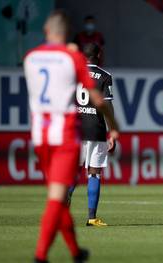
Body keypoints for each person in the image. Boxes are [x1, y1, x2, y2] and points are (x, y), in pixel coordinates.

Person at [23, 10, 119, 263]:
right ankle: (44, 252)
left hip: (41, 134)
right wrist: (115, 127)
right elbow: (98, 99)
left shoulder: (30, 58)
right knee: (88, 177)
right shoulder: (72, 60)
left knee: (59, 193)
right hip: (69, 133)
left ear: (45, 32)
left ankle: (75, 252)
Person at [67, 43, 116, 226]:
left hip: (76, 130)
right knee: (94, 173)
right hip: (95, 129)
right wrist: (112, 131)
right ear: (98, 54)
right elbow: (107, 106)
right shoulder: (105, 76)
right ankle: (92, 218)